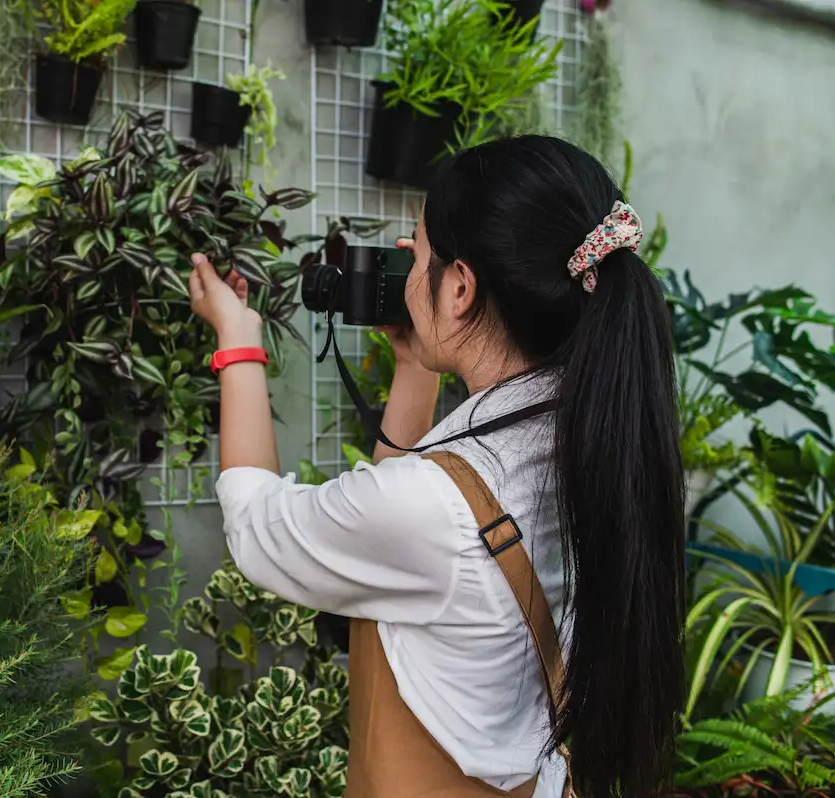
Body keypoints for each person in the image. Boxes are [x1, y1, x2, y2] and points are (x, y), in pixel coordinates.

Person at [188, 135, 684, 798]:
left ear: (459, 288)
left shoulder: (433, 508)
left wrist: (238, 340)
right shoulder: (591, 437)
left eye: (418, 252)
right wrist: (413, 369)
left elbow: (257, 529)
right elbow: (422, 517)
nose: (409, 271)